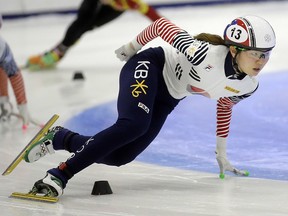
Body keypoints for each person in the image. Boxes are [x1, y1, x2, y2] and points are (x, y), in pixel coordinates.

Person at [23, 15, 275, 197]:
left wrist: (221, 153)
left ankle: (61, 138)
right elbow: (161, 25)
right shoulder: (203, 54)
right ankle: (59, 174)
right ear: (234, 49)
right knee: (133, 125)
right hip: (150, 66)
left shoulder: (247, 86)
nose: (261, 61)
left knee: (121, 156)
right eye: (255, 53)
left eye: (266, 54)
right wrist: (132, 47)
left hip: (169, 97)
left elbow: (224, 106)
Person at [26, 0, 162, 70]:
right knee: (81, 22)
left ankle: (58, 52)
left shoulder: (131, 2)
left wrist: (168, 27)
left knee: (87, 27)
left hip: (114, 8)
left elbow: (151, 14)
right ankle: (58, 52)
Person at [0, 14, 40, 129]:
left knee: (4, 63)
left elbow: (13, 73)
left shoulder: (2, 48)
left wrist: (23, 106)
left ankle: (4, 103)